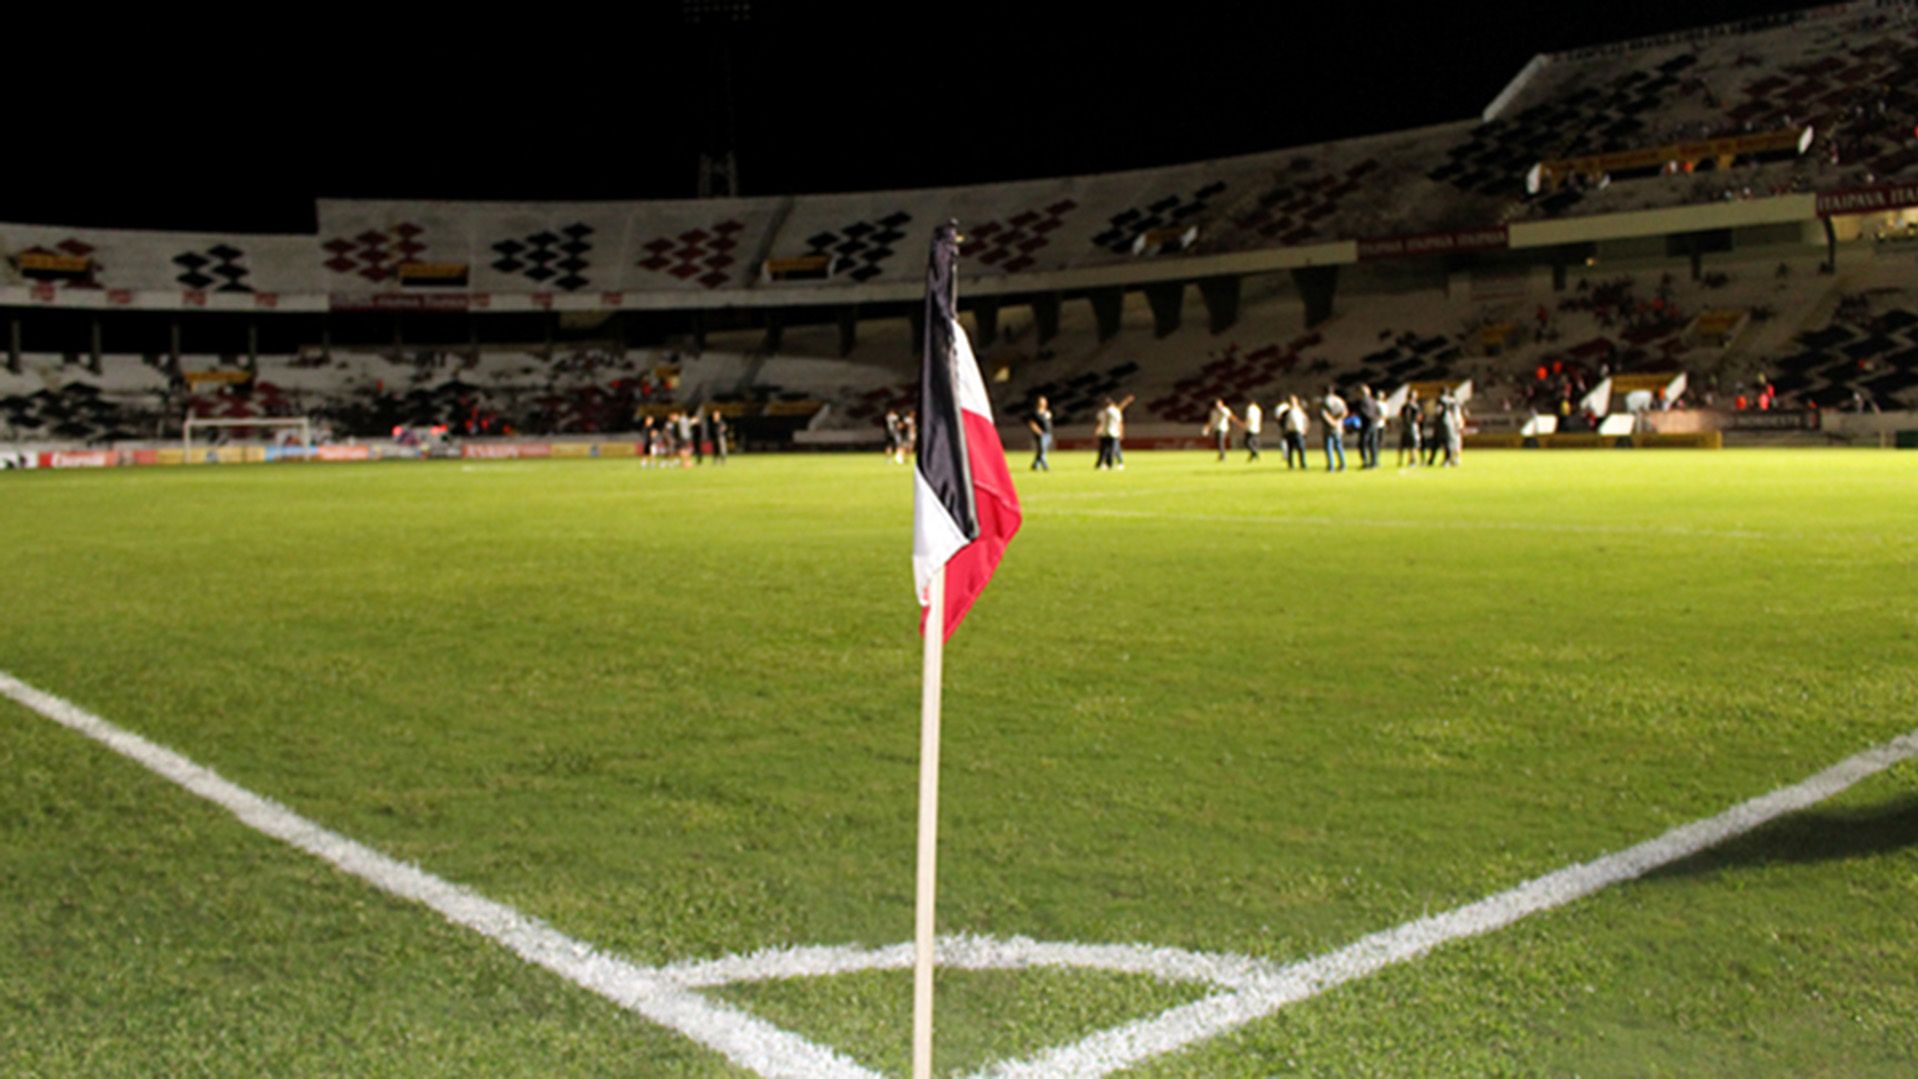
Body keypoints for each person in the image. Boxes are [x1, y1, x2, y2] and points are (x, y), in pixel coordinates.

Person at [1319, 384, 1348, 472]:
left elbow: (1324, 414)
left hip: (1328, 427)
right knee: (1339, 446)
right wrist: (1337, 420)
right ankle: (1343, 465)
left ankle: (1331, 466)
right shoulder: (1339, 400)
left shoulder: (1324, 401)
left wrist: (1332, 422)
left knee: (1329, 446)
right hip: (1338, 426)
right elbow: (1345, 412)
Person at [1354, 383, 1383, 469]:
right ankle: (1374, 461)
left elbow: (1363, 413)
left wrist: (1369, 418)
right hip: (1373, 424)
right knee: (1373, 443)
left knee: (1363, 443)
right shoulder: (1373, 401)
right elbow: (1379, 412)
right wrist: (1375, 419)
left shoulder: (1362, 402)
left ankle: (1365, 462)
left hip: (1366, 425)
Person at [1279, 394, 1309, 469]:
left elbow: (1306, 420)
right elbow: (1281, 421)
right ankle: (1291, 464)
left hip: (1298, 431)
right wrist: (1284, 429)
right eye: (1291, 401)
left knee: (1301, 448)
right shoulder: (1286, 412)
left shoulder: (1300, 411)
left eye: (1293, 401)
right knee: (1290, 449)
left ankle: (1302, 463)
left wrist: (1305, 429)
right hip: (1289, 431)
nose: (1292, 402)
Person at [1397, 390, 1424, 468]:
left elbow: (1399, 415)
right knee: (1413, 444)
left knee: (1403, 444)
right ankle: (1412, 461)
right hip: (1413, 426)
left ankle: (1400, 461)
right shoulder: (1415, 406)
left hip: (1405, 426)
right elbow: (1419, 417)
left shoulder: (1404, 406)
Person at [1027, 395, 1053, 471]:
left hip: (1048, 434)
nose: (1044, 403)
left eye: (1044, 401)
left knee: (1042, 451)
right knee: (1042, 451)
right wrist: (1038, 431)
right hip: (1041, 434)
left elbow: (1048, 421)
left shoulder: (1047, 412)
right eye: (1042, 401)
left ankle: (1035, 465)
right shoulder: (1035, 413)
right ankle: (1045, 466)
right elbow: (1032, 423)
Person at [1237, 396, 1262, 462]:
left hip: (1250, 427)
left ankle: (1254, 452)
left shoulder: (1250, 409)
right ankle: (1253, 455)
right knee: (1254, 441)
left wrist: (1245, 424)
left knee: (1247, 442)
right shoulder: (1258, 409)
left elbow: (1249, 418)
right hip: (1257, 427)